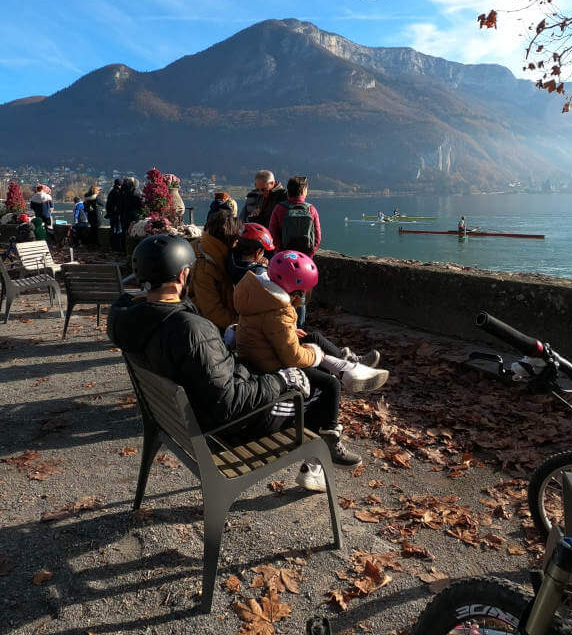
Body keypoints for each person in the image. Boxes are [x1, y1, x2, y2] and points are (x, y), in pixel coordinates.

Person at [107, 234, 362, 493]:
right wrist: (281, 380)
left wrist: (227, 342)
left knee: (296, 372)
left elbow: (202, 366)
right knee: (322, 388)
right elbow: (229, 404)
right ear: (184, 275)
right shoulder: (191, 329)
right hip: (228, 430)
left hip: (182, 418)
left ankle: (318, 453)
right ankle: (316, 464)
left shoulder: (134, 319)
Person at [234, 249, 387, 490]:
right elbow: (292, 356)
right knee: (329, 385)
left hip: (258, 360)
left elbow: (264, 330)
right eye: (303, 293)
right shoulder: (277, 312)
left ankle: (349, 365)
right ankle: (328, 441)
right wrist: (317, 355)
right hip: (271, 372)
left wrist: (292, 336)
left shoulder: (257, 294)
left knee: (313, 336)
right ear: (294, 292)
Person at [268, 175, 321, 326]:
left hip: (283, 261)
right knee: (301, 296)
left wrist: (282, 254)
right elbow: (317, 238)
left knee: (282, 295)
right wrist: (307, 257)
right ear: (303, 190)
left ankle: (284, 328)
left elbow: (272, 235)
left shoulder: (279, 208)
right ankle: (300, 328)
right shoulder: (311, 209)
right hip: (304, 261)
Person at [189, 209, 239, 332]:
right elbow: (212, 312)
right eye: (236, 240)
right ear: (229, 239)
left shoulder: (206, 248)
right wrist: (244, 325)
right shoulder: (204, 265)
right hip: (204, 327)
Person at [105, 179, 123, 250]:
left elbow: (107, 205)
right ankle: (117, 247)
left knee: (113, 230)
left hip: (112, 214)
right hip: (117, 214)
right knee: (118, 231)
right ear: (120, 185)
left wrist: (109, 212)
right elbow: (119, 204)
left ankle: (113, 246)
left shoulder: (111, 192)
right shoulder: (118, 192)